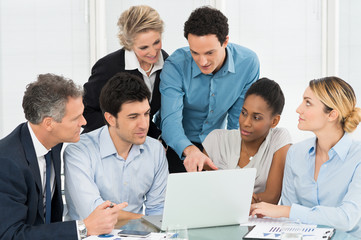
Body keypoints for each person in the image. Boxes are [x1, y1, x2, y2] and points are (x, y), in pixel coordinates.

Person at [0, 74, 127, 240]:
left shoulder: (54, 143)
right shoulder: (7, 162)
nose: (84, 122)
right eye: (76, 118)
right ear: (49, 123)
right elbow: (10, 235)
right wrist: (83, 228)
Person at [250, 76, 361, 236]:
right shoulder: (296, 153)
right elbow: (287, 218)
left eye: (308, 103)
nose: (298, 109)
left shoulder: (357, 157)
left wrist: (286, 211)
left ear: (332, 115)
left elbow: (347, 218)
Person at [160, 6, 260, 173]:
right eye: (195, 53)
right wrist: (191, 151)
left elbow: (238, 120)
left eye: (210, 52)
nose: (202, 61)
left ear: (225, 41)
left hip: (218, 145)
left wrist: (232, 159)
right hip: (177, 145)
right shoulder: (175, 65)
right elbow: (170, 122)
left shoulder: (248, 63)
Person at [64, 72, 168, 222]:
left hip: (140, 235)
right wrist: (148, 221)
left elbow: (158, 210)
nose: (144, 124)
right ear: (110, 119)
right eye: (133, 117)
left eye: (146, 114)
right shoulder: (79, 151)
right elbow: (95, 213)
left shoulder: (155, 150)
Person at [83, 5, 168, 139]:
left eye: (156, 42)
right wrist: (119, 132)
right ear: (129, 44)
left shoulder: (167, 65)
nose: (153, 52)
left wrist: (154, 138)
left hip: (138, 141)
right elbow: (85, 111)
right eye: (144, 47)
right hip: (102, 140)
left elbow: (145, 115)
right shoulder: (108, 67)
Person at [202, 78, 291, 204]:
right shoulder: (216, 140)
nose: (245, 122)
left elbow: (272, 197)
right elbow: (202, 194)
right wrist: (246, 198)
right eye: (244, 113)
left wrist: (227, 196)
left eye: (256, 117)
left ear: (274, 121)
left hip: (258, 221)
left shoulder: (279, 139)